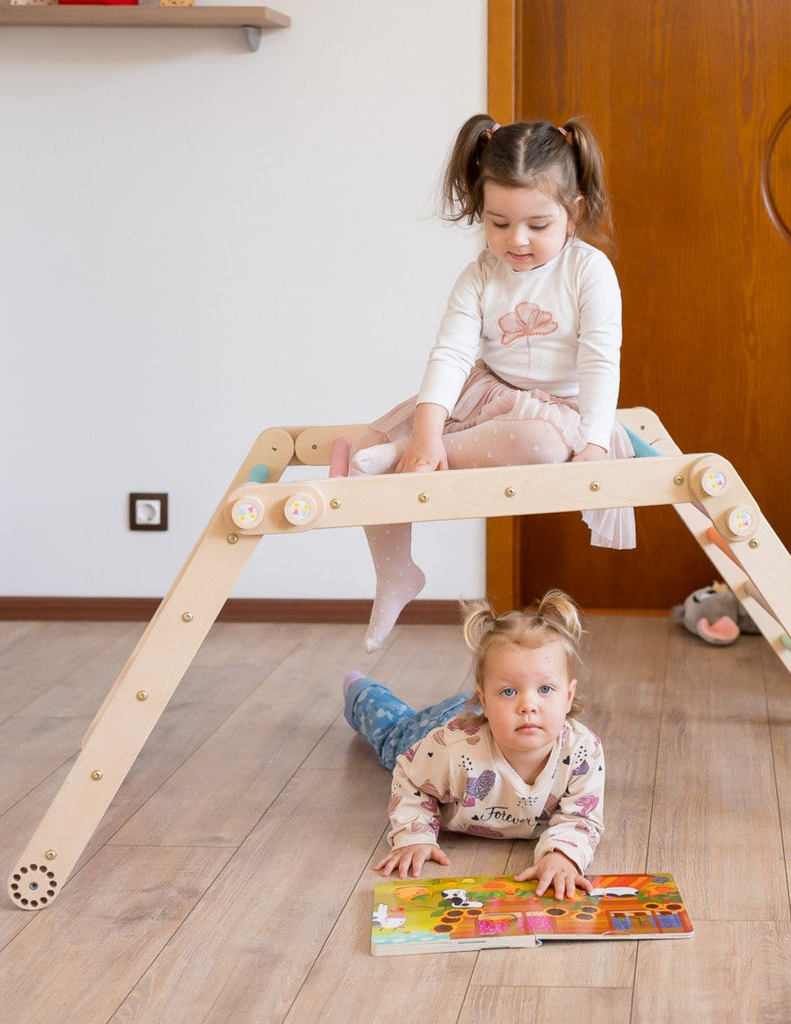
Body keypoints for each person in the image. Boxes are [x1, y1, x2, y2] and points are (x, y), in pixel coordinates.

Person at [349, 114, 636, 652]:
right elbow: (451, 354)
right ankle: (395, 572)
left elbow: (601, 360)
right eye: (499, 223)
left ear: (572, 215)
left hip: (558, 409)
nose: (516, 240)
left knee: (542, 446)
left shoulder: (588, 271)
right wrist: (426, 434)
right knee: (366, 443)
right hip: (487, 392)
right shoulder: (481, 273)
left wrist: (595, 443)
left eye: (537, 225)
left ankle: (396, 462)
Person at [343, 589, 605, 899]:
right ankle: (361, 693)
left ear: (569, 697)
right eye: (509, 692)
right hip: (444, 726)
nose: (528, 705)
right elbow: (412, 779)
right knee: (392, 736)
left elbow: (581, 816)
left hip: (485, 717)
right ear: (484, 698)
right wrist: (415, 835)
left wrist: (563, 855)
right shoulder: (451, 749)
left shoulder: (582, 752)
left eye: (545, 688)